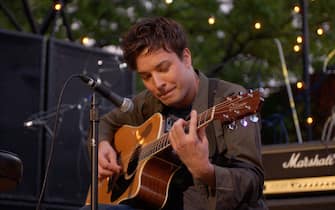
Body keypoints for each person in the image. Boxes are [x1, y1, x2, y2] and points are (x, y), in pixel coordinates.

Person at [82, 16, 267, 210]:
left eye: (163, 68)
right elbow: (105, 123)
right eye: (146, 77)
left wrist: (204, 170)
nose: (158, 84)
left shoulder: (230, 99)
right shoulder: (148, 102)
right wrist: (102, 145)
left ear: (186, 58)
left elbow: (252, 183)